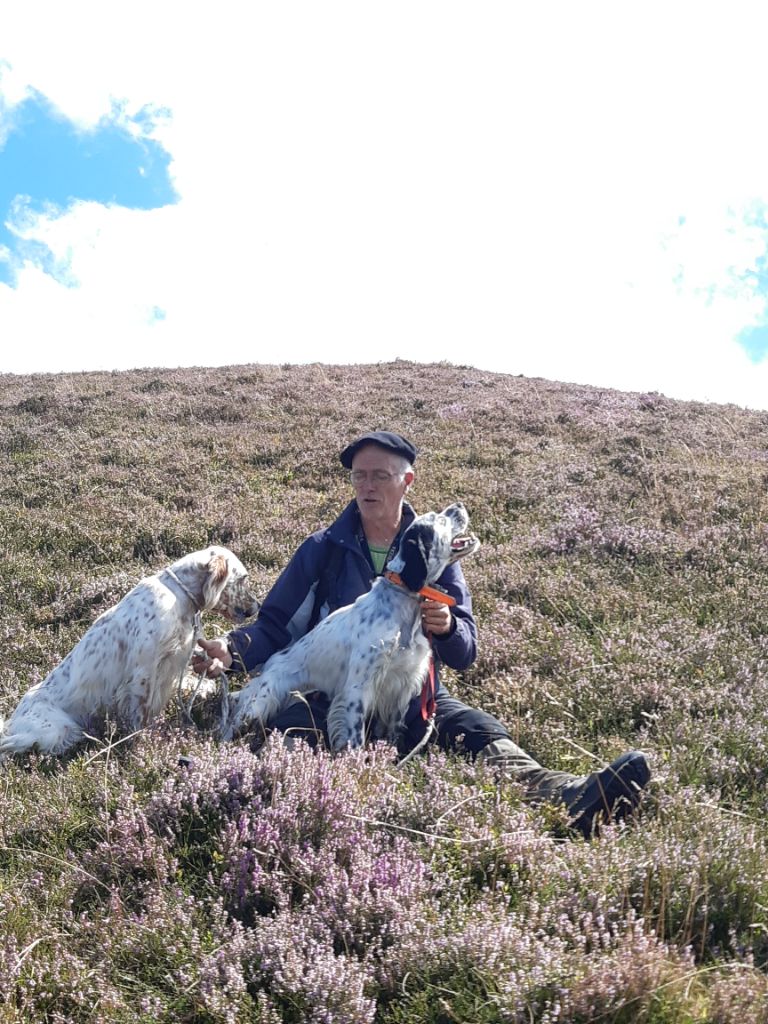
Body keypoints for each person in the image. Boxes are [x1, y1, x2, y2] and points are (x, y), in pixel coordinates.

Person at [194, 431, 650, 836]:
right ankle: (223, 790)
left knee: (475, 729)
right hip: (328, 692)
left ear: (406, 481)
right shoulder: (322, 549)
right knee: (288, 732)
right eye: (359, 477)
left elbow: (466, 650)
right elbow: (276, 623)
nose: (367, 486)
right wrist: (234, 650)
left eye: (380, 476)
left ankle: (568, 798)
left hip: (414, 691)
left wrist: (448, 628)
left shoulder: (435, 547)